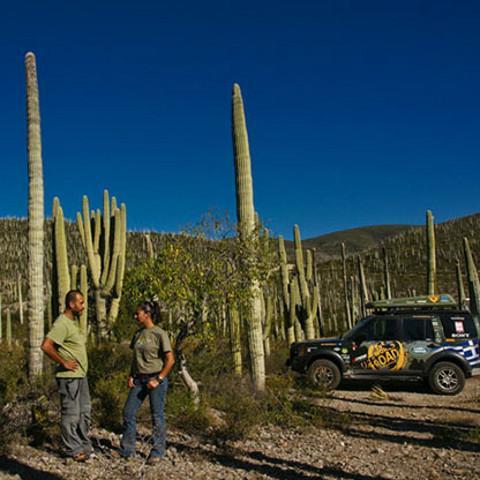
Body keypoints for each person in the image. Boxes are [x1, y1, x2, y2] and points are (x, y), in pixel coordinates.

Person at [120, 300, 175, 464]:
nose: (135, 316)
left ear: (147, 314)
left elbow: (170, 360)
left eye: (138, 313)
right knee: (128, 412)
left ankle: (158, 451)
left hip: (155, 378)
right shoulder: (137, 334)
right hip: (139, 379)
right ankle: (127, 450)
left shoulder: (159, 333)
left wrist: (159, 379)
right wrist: (131, 375)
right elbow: (134, 358)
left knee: (157, 416)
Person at [41, 290, 91, 462]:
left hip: (80, 375)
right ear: (71, 304)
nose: (83, 306)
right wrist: (64, 362)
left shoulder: (73, 322)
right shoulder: (62, 323)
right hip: (69, 376)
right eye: (81, 303)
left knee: (84, 412)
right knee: (71, 414)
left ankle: (84, 445)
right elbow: (46, 346)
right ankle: (73, 449)